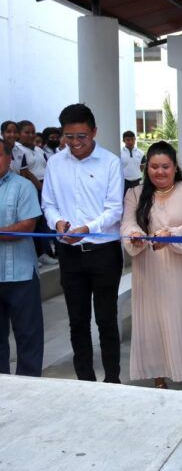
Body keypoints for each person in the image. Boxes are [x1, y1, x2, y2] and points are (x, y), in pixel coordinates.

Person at [122, 141, 182, 391]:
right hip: (148, 264)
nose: (160, 172)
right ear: (147, 169)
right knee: (152, 316)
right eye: (154, 167)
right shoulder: (135, 193)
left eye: (165, 166)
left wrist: (171, 234)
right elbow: (127, 224)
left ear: (175, 167)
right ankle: (158, 373)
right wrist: (135, 234)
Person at [41, 103, 124, 383]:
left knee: (106, 320)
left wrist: (88, 227)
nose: (75, 144)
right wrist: (59, 223)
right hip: (70, 253)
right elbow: (48, 204)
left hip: (103, 253)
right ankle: (85, 380)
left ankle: (112, 378)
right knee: (77, 321)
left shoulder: (110, 162)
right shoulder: (55, 163)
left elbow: (114, 209)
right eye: (69, 137)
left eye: (82, 137)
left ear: (94, 132)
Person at [0, 139, 44, 377]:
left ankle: (29, 388)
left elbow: (27, 225)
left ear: (9, 158)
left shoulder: (23, 186)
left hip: (21, 275)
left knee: (28, 337)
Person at [18, 121, 57, 266]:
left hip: (45, 187)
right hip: (33, 188)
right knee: (32, 223)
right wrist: (40, 186)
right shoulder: (18, 149)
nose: (30, 135)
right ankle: (33, 254)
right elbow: (26, 171)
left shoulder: (39, 150)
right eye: (26, 132)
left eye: (32, 132)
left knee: (43, 223)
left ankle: (43, 253)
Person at [121, 130, 144, 195]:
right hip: (124, 182)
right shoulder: (119, 153)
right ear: (123, 141)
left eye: (132, 139)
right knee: (125, 201)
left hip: (137, 181)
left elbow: (142, 168)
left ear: (135, 139)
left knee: (138, 200)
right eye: (128, 140)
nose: (131, 142)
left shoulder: (141, 153)